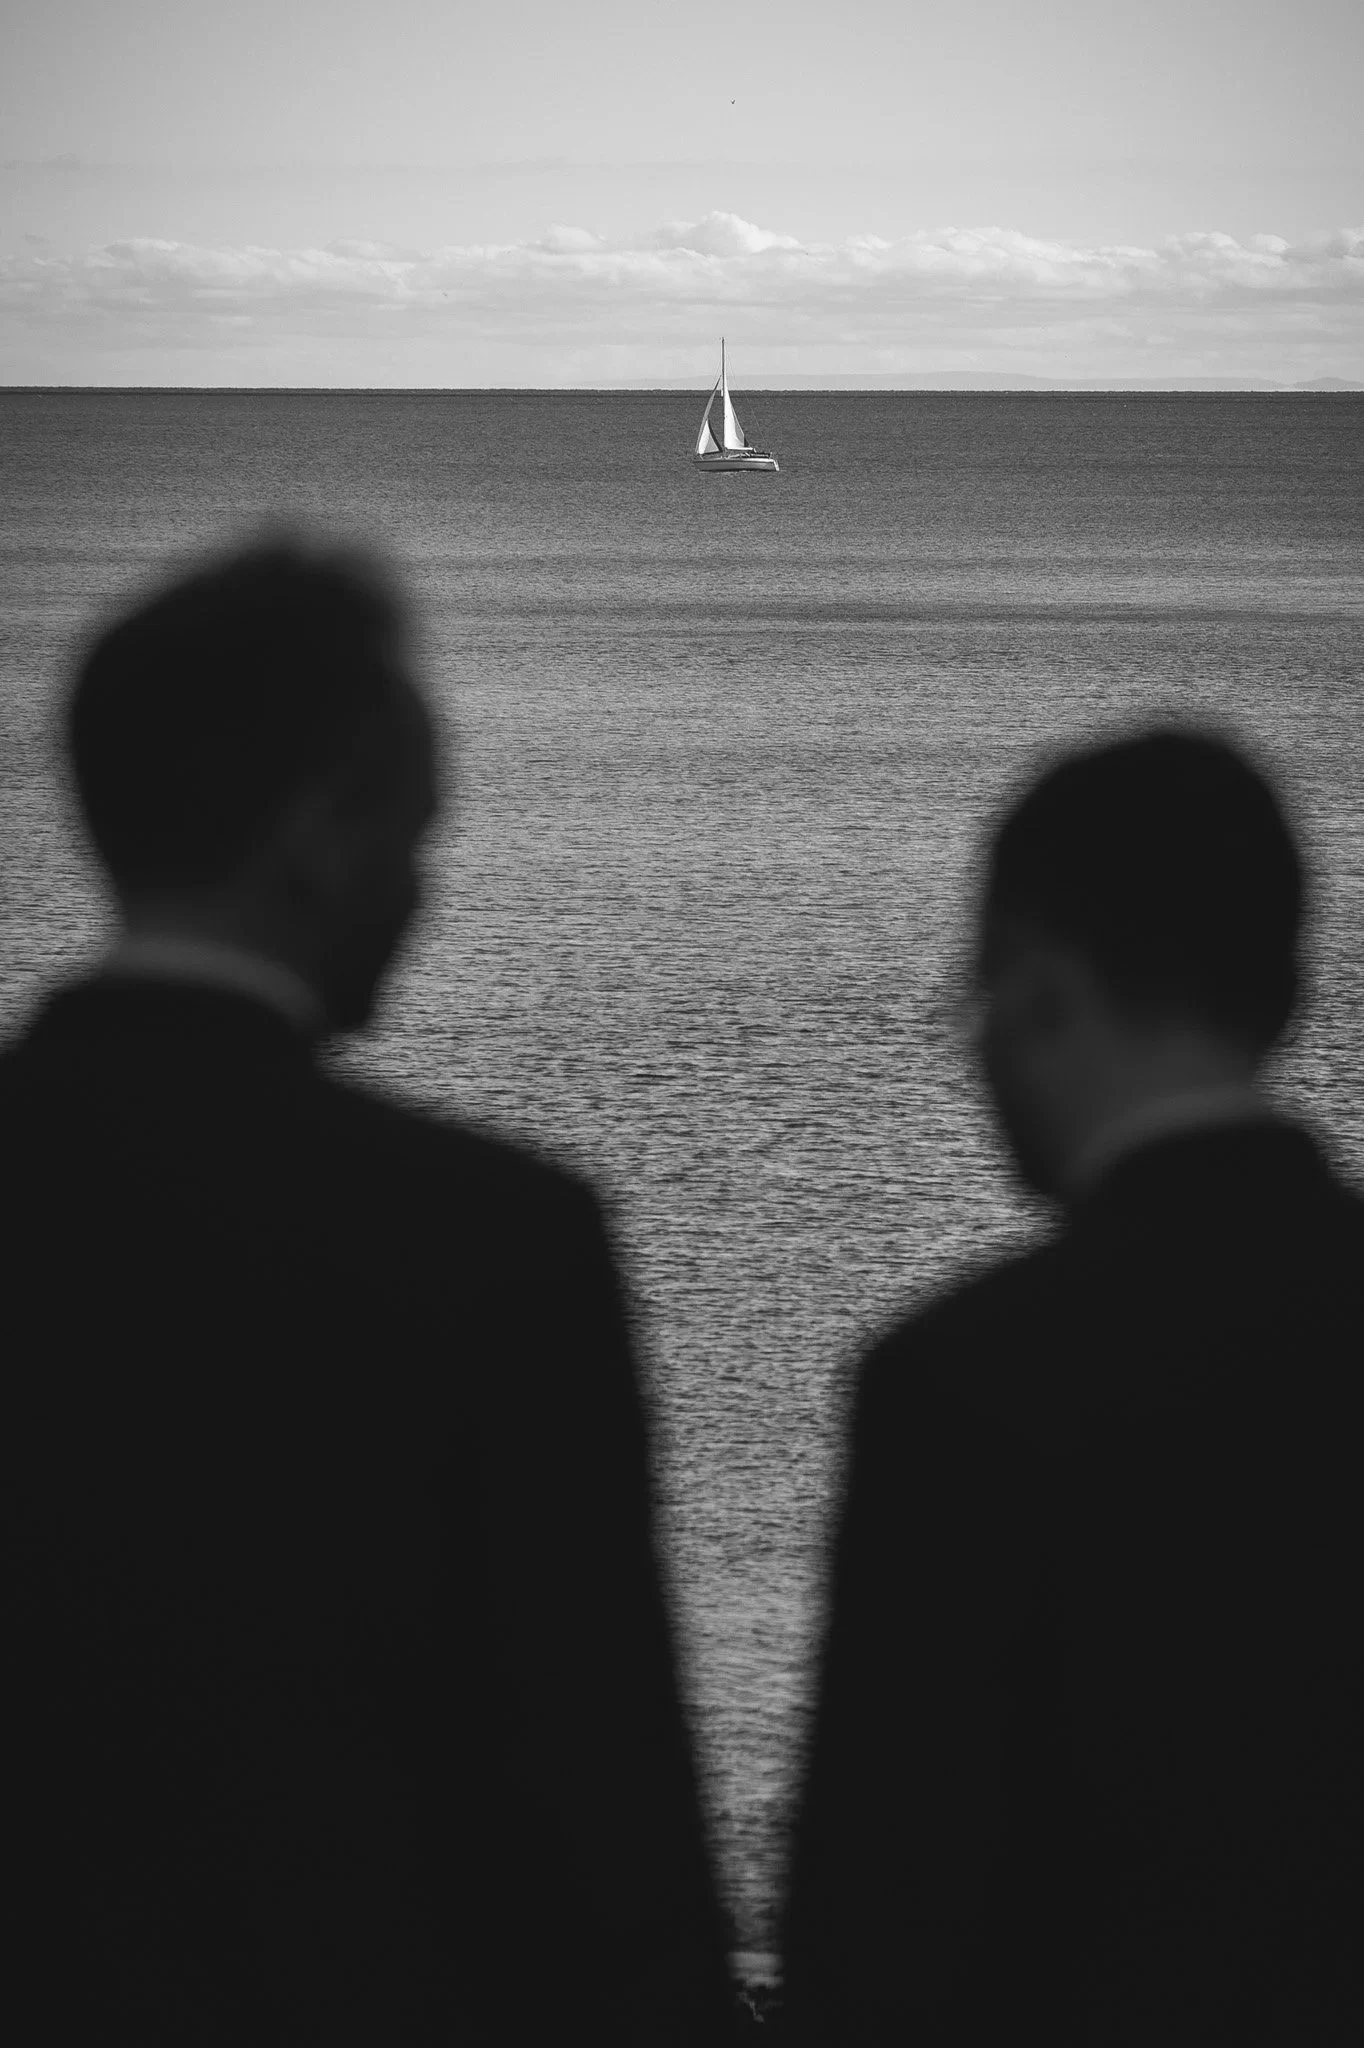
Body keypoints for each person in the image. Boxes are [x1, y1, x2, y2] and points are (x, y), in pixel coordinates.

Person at [1, 539, 737, 2045]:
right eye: (418, 836)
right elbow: (612, 1835)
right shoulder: (497, 1246)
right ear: (324, 832)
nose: (427, 892)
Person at [782, 730, 1364, 2046]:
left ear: (1039, 987)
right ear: (1280, 992)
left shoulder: (961, 1387)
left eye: (974, 999)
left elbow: (877, 1927)